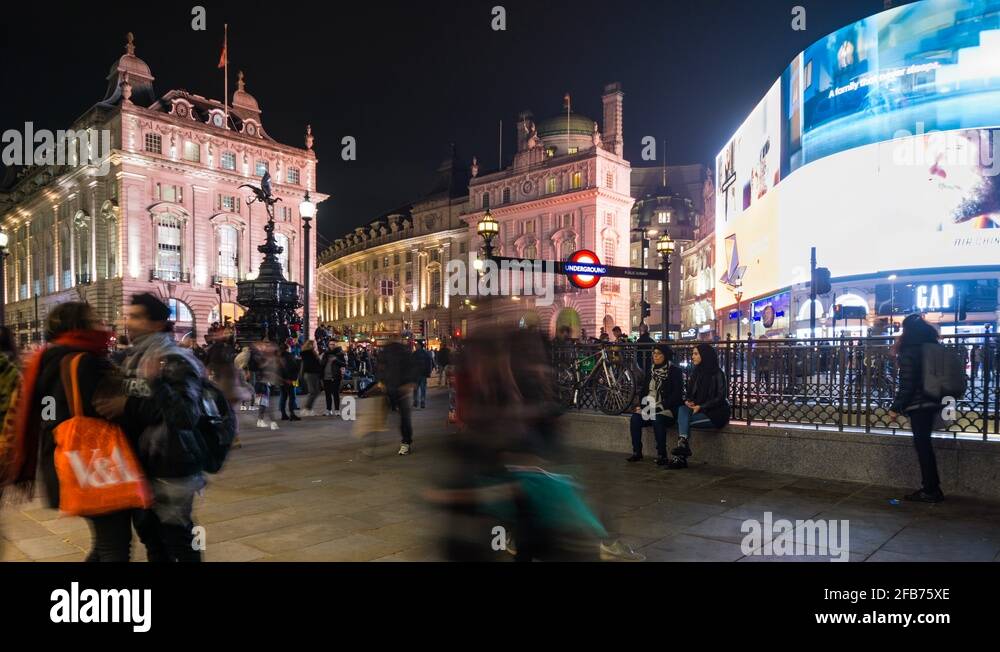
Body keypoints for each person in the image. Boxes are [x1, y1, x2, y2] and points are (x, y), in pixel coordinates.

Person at [0, 304, 136, 561]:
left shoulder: (46, 360)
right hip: (96, 465)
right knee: (114, 545)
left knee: (106, 542)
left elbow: (48, 412)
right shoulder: (86, 361)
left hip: (64, 460)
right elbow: (106, 410)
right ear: (78, 326)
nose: (104, 323)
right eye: (96, 319)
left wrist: (57, 425)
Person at [94, 294, 206, 562]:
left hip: (171, 465)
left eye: (135, 317)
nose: (127, 322)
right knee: (151, 539)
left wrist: (140, 398)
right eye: (127, 315)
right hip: (138, 465)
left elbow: (186, 415)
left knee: (177, 540)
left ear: (156, 324)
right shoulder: (128, 360)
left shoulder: (175, 360)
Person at [889, 314, 946, 503]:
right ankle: (931, 487)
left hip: (919, 404)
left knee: (923, 446)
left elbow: (908, 383)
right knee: (925, 445)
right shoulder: (934, 347)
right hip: (934, 401)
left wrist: (896, 407)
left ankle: (930, 489)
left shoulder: (909, 350)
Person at [669, 343, 730, 469]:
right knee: (682, 409)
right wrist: (688, 401)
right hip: (698, 410)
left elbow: (720, 397)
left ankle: (680, 455)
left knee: (683, 422)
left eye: (696, 354)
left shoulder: (718, 373)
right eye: (693, 354)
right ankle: (682, 447)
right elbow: (690, 393)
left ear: (705, 355)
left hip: (715, 413)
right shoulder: (696, 372)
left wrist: (701, 407)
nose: (692, 357)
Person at [628, 344, 684, 465]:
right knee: (635, 419)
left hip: (666, 409)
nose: (655, 356)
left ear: (666, 356)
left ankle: (662, 455)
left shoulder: (675, 372)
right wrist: (642, 407)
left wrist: (659, 407)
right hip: (650, 408)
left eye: (659, 354)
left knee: (658, 419)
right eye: (654, 353)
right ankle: (637, 452)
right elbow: (644, 392)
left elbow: (676, 395)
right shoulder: (651, 371)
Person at [378, 335, 416, 455]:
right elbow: (412, 368)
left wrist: (381, 382)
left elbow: (379, 369)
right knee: (404, 417)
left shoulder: (385, 352)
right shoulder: (405, 351)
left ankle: (405, 442)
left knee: (399, 417)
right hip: (400, 388)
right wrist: (409, 383)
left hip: (392, 387)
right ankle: (406, 443)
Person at [278, 343, 302, 421]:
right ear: (287, 348)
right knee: (292, 397)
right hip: (289, 380)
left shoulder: (278, 356)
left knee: (283, 397)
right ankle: (292, 414)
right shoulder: (288, 356)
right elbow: (291, 367)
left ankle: (283, 414)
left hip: (281, 380)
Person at [320, 345, 346, 416]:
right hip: (326, 377)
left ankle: (337, 410)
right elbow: (321, 364)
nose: (332, 346)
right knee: (327, 394)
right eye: (330, 344)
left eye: (333, 344)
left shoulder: (340, 355)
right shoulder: (325, 354)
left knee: (335, 394)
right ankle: (328, 409)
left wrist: (336, 360)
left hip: (335, 377)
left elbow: (344, 364)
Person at [299, 340, 323, 416]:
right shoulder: (308, 353)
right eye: (315, 344)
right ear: (311, 345)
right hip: (311, 374)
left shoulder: (310, 353)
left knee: (316, 391)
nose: (316, 345)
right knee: (313, 392)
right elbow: (307, 364)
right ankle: (306, 409)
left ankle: (308, 408)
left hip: (313, 374)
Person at [411, 341, 434, 409]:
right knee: (423, 388)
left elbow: (411, 364)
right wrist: (428, 372)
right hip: (423, 373)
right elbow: (429, 363)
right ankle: (422, 401)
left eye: (416, 345)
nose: (415, 346)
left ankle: (416, 401)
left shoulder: (414, 354)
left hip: (416, 374)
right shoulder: (426, 354)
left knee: (416, 388)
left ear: (420, 346)